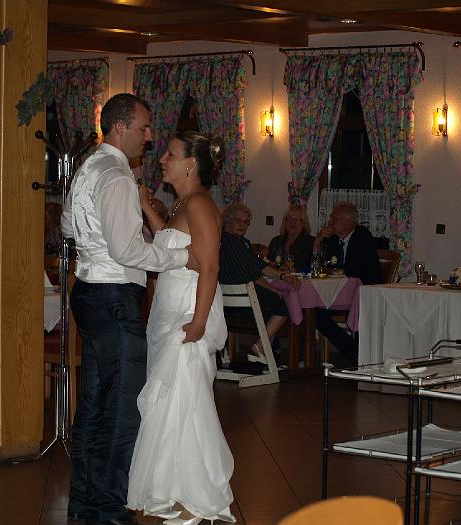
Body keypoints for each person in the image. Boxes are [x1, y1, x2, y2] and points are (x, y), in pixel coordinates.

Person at [61, 93, 196, 525]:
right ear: (119, 127)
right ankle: (110, 510)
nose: (149, 136)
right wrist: (180, 257)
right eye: (144, 127)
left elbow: (67, 226)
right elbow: (127, 250)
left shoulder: (88, 167)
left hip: (88, 290)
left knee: (94, 405)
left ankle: (84, 502)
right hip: (113, 298)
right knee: (122, 410)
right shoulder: (117, 176)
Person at [127, 131, 235, 525]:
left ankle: (195, 493)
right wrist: (146, 207)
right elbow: (170, 247)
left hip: (188, 311)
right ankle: (172, 488)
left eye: (170, 155)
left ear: (190, 163)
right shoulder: (183, 203)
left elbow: (210, 266)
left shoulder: (201, 202)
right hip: (169, 309)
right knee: (170, 401)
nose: (162, 160)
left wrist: (199, 322)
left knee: (186, 401)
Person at [219, 202, 300, 364]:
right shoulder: (231, 243)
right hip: (237, 304)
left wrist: (283, 276)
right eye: (238, 221)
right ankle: (259, 347)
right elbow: (252, 276)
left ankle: (265, 357)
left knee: (273, 306)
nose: (243, 225)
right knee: (282, 306)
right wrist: (274, 290)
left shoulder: (240, 242)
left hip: (231, 301)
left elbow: (260, 266)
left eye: (246, 222)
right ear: (228, 221)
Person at [314, 201, 382, 365]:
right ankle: (351, 349)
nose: (330, 221)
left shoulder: (362, 236)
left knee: (360, 312)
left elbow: (356, 269)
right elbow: (317, 265)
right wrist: (317, 242)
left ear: (348, 222)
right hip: (338, 293)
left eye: (334, 218)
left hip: (364, 293)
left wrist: (335, 270)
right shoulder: (332, 239)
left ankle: (356, 351)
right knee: (316, 314)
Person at [267, 204, 315, 272]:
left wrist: (296, 270)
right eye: (289, 219)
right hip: (275, 277)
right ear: (285, 222)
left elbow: (313, 268)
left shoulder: (311, 243)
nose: (292, 222)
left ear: (303, 223)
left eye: (296, 219)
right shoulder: (275, 241)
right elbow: (268, 265)